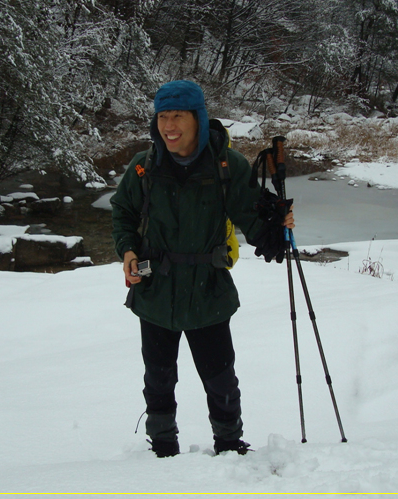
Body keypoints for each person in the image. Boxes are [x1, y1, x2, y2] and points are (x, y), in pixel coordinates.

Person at [110, 80, 294, 458]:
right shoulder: (144, 167)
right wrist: (127, 250)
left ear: (198, 117)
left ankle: (229, 445)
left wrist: (276, 225)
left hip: (208, 290)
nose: (169, 125)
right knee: (158, 379)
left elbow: (251, 216)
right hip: (155, 291)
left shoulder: (227, 165)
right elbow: (123, 212)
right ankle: (162, 446)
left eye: (178, 115)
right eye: (163, 116)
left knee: (220, 377)